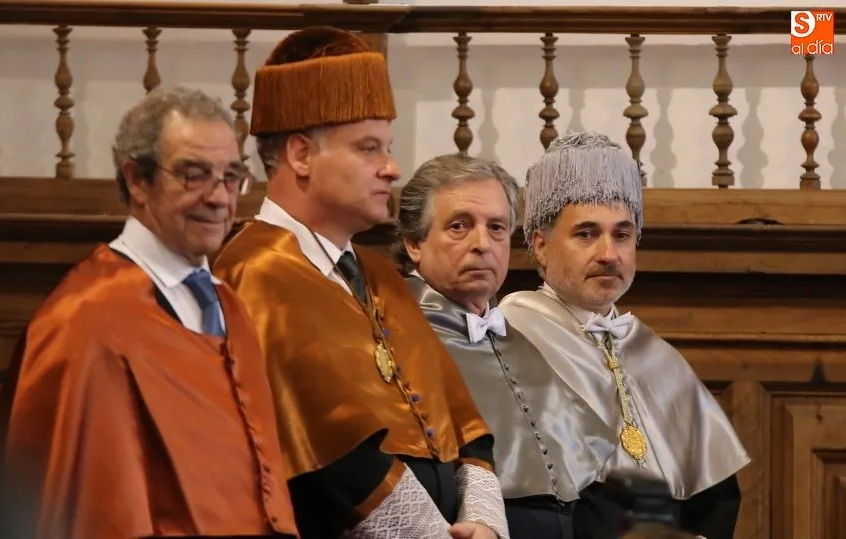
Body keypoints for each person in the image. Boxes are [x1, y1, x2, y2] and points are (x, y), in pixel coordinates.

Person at [213, 26, 509, 539]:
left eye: (387, 148)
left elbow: (463, 424)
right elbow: (327, 458)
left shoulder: (377, 273)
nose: (392, 168)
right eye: (369, 149)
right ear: (302, 155)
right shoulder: (255, 272)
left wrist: (483, 521)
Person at [0, 86, 298, 539]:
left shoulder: (228, 305)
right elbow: (90, 512)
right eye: (195, 175)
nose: (220, 198)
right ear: (137, 180)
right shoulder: (85, 321)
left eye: (231, 177)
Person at [498, 131, 750, 539]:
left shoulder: (653, 353)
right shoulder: (511, 337)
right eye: (586, 234)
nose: (608, 254)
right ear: (540, 246)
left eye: (622, 234)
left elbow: (717, 497)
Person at [393, 153, 618, 539]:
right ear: (415, 242)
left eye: (497, 228)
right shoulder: (391, 338)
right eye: (459, 226)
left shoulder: (525, 343)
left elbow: (585, 480)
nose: (483, 244)